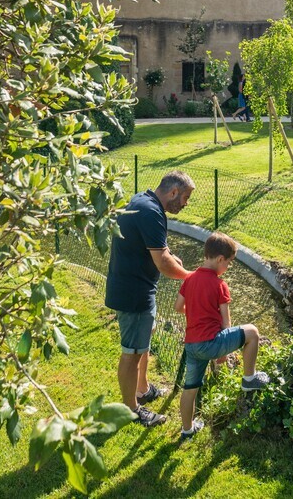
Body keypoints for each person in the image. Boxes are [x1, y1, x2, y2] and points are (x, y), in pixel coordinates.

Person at [105, 170, 195, 428]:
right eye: (186, 198)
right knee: (131, 353)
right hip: (134, 293)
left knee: (143, 342)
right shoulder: (151, 212)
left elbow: (157, 250)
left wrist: (169, 257)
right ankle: (132, 408)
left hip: (135, 286)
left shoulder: (141, 201)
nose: (185, 204)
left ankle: (142, 389)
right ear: (174, 192)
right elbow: (163, 263)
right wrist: (190, 277)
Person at [174, 231, 269, 441]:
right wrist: (224, 351)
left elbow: (178, 307)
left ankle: (187, 430)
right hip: (212, 343)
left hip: (192, 346)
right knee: (252, 332)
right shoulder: (220, 285)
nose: (228, 267)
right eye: (229, 263)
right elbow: (226, 322)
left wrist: (196, 311)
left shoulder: (189, 279)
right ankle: (249, 378)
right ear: (219, 259)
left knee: (190, 389)